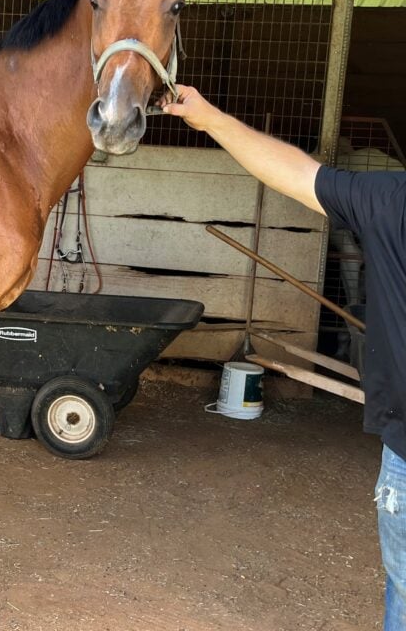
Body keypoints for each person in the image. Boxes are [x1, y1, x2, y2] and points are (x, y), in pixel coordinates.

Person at [163, 84, 406, 631]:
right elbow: (298, 172)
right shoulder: (393, 199)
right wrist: (210, 119)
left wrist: (211, 120)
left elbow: (297, 174)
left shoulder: (394, 200)